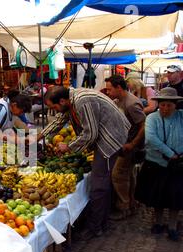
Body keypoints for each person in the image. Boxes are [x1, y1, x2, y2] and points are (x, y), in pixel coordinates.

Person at [41, 86, 130, 240]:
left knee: (99, 184)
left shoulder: (82, 100)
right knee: (102, 180)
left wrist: (69, 146)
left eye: (54, 107)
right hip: (104, 135)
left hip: (110, 138)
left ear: (62, 101)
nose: (54, 110)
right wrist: (39, 135)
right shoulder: (70, 101)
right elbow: (60, 120)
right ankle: (102, 221)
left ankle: (95, 227)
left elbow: (91, 133)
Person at [135, 87, 183, 241]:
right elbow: (151, 139)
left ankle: (173, 226)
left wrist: (179, 155)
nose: (165, 108)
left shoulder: (181, 117)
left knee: (176, 197)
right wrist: (171, 154)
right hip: (157, 163)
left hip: (178, 165)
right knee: (158, 196)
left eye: (169, 105)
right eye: (162, 105)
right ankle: (158, 222)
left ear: (176, 105)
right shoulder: (152, 118)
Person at [105, 75, 146, 220]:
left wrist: (133, 144)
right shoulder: (119, 100)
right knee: (128, 174)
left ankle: (125, 206)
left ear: (119, 88)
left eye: (110, 89)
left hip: (130, 146)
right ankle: (132, 203)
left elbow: (143, 125)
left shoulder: (131, 103)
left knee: (117, 175)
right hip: (122, 144)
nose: (108, 92)